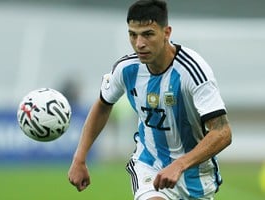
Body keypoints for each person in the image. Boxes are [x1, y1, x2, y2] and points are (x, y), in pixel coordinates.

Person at [68, 0, 232, 199]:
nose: (139, 43)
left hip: (195, 174)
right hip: (149, 165)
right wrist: (79, 158)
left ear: (167, 32)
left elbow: (222, 132)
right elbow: (103, 104)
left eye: (148, 34)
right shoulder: (126, 69)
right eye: (132, 34)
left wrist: (179, 164)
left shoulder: (193, 71)